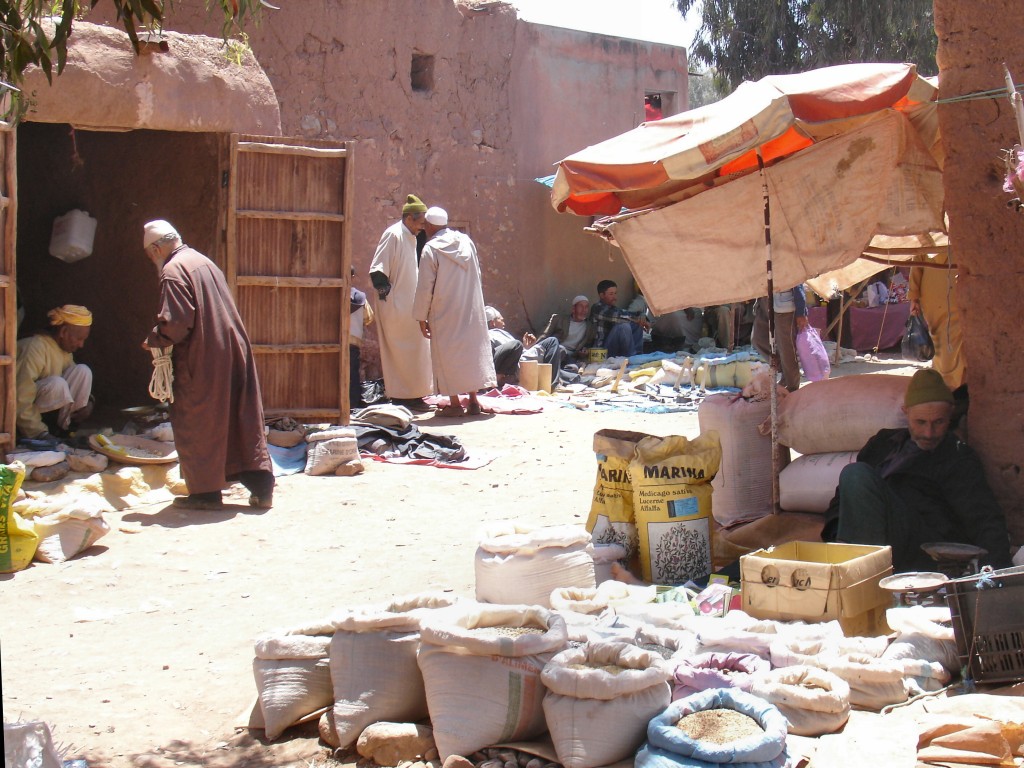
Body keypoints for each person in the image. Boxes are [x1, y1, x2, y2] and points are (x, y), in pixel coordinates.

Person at [140, 220, 274, 511]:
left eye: (151, 254)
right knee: (240, 418)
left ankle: (206, 493)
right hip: (232, 350)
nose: (153, 260)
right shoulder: (203, 261)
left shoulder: (172, 271)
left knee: (197, 421)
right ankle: (262, 488)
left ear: (157, 247)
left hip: (203, 358)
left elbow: (176, 323)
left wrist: (155, 339)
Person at [822, 368, 1012, 573]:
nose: (929, 433)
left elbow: (984, 519)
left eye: (938, 422)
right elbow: (843, 500)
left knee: (857, 475)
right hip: (878, 536)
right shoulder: (882, 443)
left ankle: (862, 578)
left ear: (949, 417)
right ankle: (855, 570)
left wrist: (998, 574)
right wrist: (835, 538)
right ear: (906, 413)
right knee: (854, 475)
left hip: (924, 549)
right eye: (920, 422)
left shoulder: (958, 458)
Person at [412, 207, 496, 417]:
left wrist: (420, 316)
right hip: (469, 307)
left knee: (447, 356)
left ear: (430, 226)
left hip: (444, 311)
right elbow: (477, 272)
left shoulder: (430, 249)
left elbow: (425, 285)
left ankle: (455, 403)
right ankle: (474, 401)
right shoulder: (466, 242)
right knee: (469, 354)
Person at [369, 194, 434, 411]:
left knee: (417, 350)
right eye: (420, 222)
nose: (422, 227)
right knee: (400, 353)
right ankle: (401, 397)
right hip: (396, 307)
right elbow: (377, 270)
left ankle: (415, 395)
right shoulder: (393, 235)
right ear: (409, 219)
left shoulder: (411, 236)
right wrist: (389, 296)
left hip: (410, 308)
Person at [15, 304, 94, 439]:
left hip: (47, 417)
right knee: (57, 384)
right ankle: (43, 434)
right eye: (79, 339)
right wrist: (38, 432)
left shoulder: (63, 351)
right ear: (63, 332)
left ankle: (65, 433)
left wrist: (89, 403)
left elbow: (77, 382)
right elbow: (20, 398)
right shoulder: (35, 347)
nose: (81, 345)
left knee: (83, 371)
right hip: (23, 422)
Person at [486, 306, 571, 386]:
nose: (504, 323)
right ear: (493, 323)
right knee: (551, 342)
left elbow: (514, 351)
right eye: (501, 320)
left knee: (561, 350)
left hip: (519, 360)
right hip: (516, 366)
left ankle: (568, 378)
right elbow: (512, 350)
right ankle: (552, 385)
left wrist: (527, 347)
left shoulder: (494, 334)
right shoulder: (494, 333)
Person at [751, 285, 809, 391]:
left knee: (786, 348)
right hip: (764, 299)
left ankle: (792, 386)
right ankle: (784, 370)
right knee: (758, 339)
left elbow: (797, 280)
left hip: (783, 301)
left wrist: (801, 311)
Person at [589, 280, 650, 358]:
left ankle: (638, 356)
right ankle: (632, 357)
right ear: (602, 295)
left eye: (615, 293)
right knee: (623, 326)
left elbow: (628, 314)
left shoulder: (615, 309)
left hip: (614, 350)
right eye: (611, 294)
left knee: (636, 324)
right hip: (601, 352)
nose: (614, 297)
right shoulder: (597, 308)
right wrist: (638, 319)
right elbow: (618, 316)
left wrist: (642, 317)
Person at [535, 295, 595, 363]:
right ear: (573, 309)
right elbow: (544, 335)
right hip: (555, 350)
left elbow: (589, 344)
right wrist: (535, 348)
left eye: (586, 307)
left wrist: (585, 352)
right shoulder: (558, 319)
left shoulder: (590, 327)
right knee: (561, 350)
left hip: (572, 356)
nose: (584, 310)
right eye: (581, 306)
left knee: (573, 367)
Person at [349, 270, 375, 409]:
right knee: (353, 373)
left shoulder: (331, 293)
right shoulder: (360, 297)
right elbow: (368, 318)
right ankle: (352, 404)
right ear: (353, 277)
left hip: (334, 341)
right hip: (353, 341)